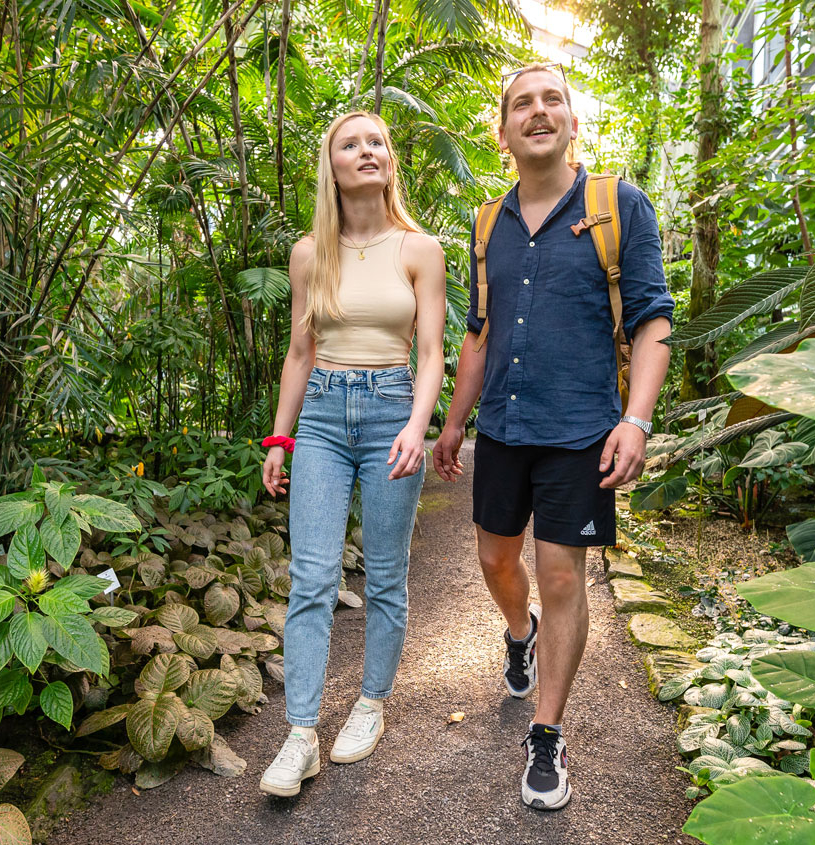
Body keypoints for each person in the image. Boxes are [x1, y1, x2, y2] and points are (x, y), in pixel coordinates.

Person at [430, 64, 675, 811]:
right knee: (494, 558)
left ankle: (547, 732)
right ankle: (519, 629)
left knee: (564, 573)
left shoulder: (617, 205)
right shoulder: (484, 223)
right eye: (521, 104)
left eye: (552, 99)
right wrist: (452, 420)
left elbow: (652, 319)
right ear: (502, 132)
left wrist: (636, 419)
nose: (538, 111)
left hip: (581, 430)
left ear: (572, 120)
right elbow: (478, 333)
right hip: (502, 426)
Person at [256, 110, 448, 798]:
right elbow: (300, 351)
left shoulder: (420, 249)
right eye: (350, 143)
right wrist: (281, 437)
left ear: (388, 162)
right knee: (310, 575)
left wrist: (417, 424)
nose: (367, 151)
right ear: (332, 164)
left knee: (387, 573)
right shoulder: (311, 252)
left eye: (377, 143)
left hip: (394, 409)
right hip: (324, 419)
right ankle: (300, 733)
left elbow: (431, 353)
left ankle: (370, 703)